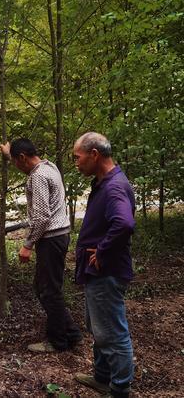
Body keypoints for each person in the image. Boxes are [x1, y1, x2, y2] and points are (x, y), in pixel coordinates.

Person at [0, 138, 82, 353]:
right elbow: (25, 165)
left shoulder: (38, 177)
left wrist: (27, 244)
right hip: (59, 235)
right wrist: (9, 155)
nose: (18, 167)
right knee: (44, 287)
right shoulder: (49, 166)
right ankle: (71, 332)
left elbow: (42, 217)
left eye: (17, 162)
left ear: (23, 157)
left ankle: (58, 341)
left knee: (48, 291)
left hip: (51, 239)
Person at [72, 132, 135, 398]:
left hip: (106, 272)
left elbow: (124, 223)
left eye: (78, 157)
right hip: (97, 271)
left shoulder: (114, 186)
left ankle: (120, 389)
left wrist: (103, 250)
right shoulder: (104, 182)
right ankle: (102, 377)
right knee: (98, 327)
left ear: (94, 155)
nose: (76, 163)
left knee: (111, 331)